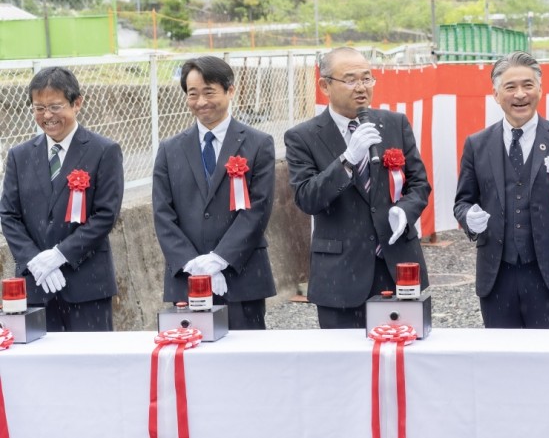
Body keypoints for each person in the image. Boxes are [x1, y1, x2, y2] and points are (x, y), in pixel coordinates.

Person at [284, 47, 430, 329]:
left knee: (402, 359)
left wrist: (404, 211)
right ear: (325, 85)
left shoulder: (394, 123)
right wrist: (347, 160)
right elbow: (307, 198)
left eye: (367, 78)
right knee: (343, 365)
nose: (361, 87)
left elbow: (419, 183)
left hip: (396, 262)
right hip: (340, 271)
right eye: (350, 80)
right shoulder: (302, 137)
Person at [453, 51, 549, 329]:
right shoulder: (477, 144)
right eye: (510, 87)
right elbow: (463, 201)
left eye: (528, 85)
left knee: (548, 360)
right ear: (496, 94)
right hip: (496, 274)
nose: (520, 94)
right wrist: (468, 216)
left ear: (540, 89)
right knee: (502, 360)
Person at [153, 56, 276, 330]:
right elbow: (163, 214)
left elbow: (258, 210)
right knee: (191, 361)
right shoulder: (170, 149)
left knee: (245, 362)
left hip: (242, 275)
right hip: (188, 278)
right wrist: (194, 265)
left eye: (209, 92)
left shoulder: (258, 144)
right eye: (193, 94)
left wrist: (221, 259)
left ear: (230, 91)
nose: (201, 102)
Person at [0, 67, 123, 331]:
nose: (47, 116)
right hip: (35, 285)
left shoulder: (104, 151)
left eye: (55, 107)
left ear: (77, 102)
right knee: (39, 368)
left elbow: (105, 215)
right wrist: (34, 260)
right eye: (39, 108)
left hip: (88, 284)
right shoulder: (19, 156)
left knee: (90, 365)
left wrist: (59, 255)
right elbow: (9, 215)